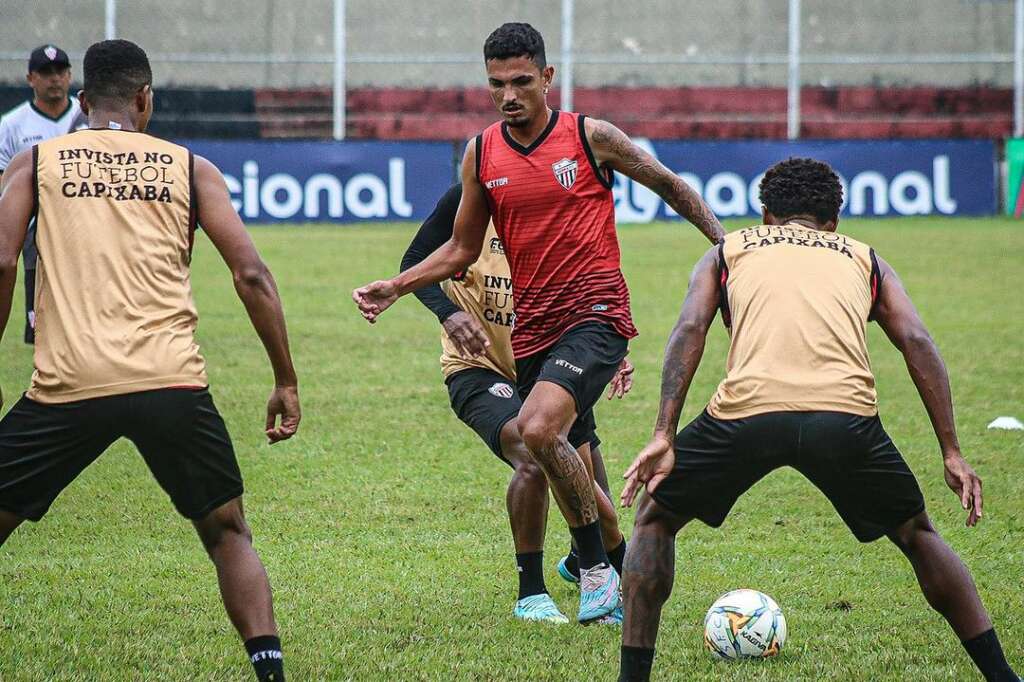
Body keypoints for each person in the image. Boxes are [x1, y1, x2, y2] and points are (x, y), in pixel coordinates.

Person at [354, 21, 723, 625]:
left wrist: (725, 246)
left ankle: (598, 569)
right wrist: (399, 286)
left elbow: (668, 184)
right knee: (566, 456)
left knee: (537, 432)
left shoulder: (590, 136)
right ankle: (597, 568)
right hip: (534, 335)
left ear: (547, 78)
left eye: (522, 81)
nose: (509, 95)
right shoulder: (482, 153)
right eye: (496, 84)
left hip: (597, 316)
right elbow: (460, 250)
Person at [617, 157, 1018, 682]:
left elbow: (690, 328)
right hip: (845, 420)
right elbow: (917, 341)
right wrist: (951, 451)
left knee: (655, 519)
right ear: (834, 221)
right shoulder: (864, 257)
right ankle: (1003, 678)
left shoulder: (728, 250)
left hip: (745, 414)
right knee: (918, 534)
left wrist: (663, 433)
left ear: (765, 215)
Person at [0, 40, 300, 682]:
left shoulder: (36, 161)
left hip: (69, 384)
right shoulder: (191, 168)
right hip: (171, 382)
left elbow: (1, 260)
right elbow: (251, 273)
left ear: (81, 103)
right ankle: (270, 673)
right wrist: (284, 378)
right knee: (228, 534)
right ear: (145, 100)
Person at [401, 182, 633, 623]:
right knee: (533, 451)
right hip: (477, 368)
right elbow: (414, 264)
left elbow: (587, 289)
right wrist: (450, 313)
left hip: (551, 367)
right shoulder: (466, 201)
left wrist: (610, 350)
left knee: (585, 482)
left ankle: (585, 561)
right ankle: (535, 593)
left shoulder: (558, 212)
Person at [0, 44, 88, 345]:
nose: (55, 78)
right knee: (41, 311)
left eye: (61, 71)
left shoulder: (88, 115)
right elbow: (5, 179)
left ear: (70, 75)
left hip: (87, 222)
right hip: (36, 228)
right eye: (46, 72)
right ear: (30, 79)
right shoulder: (12, 125)